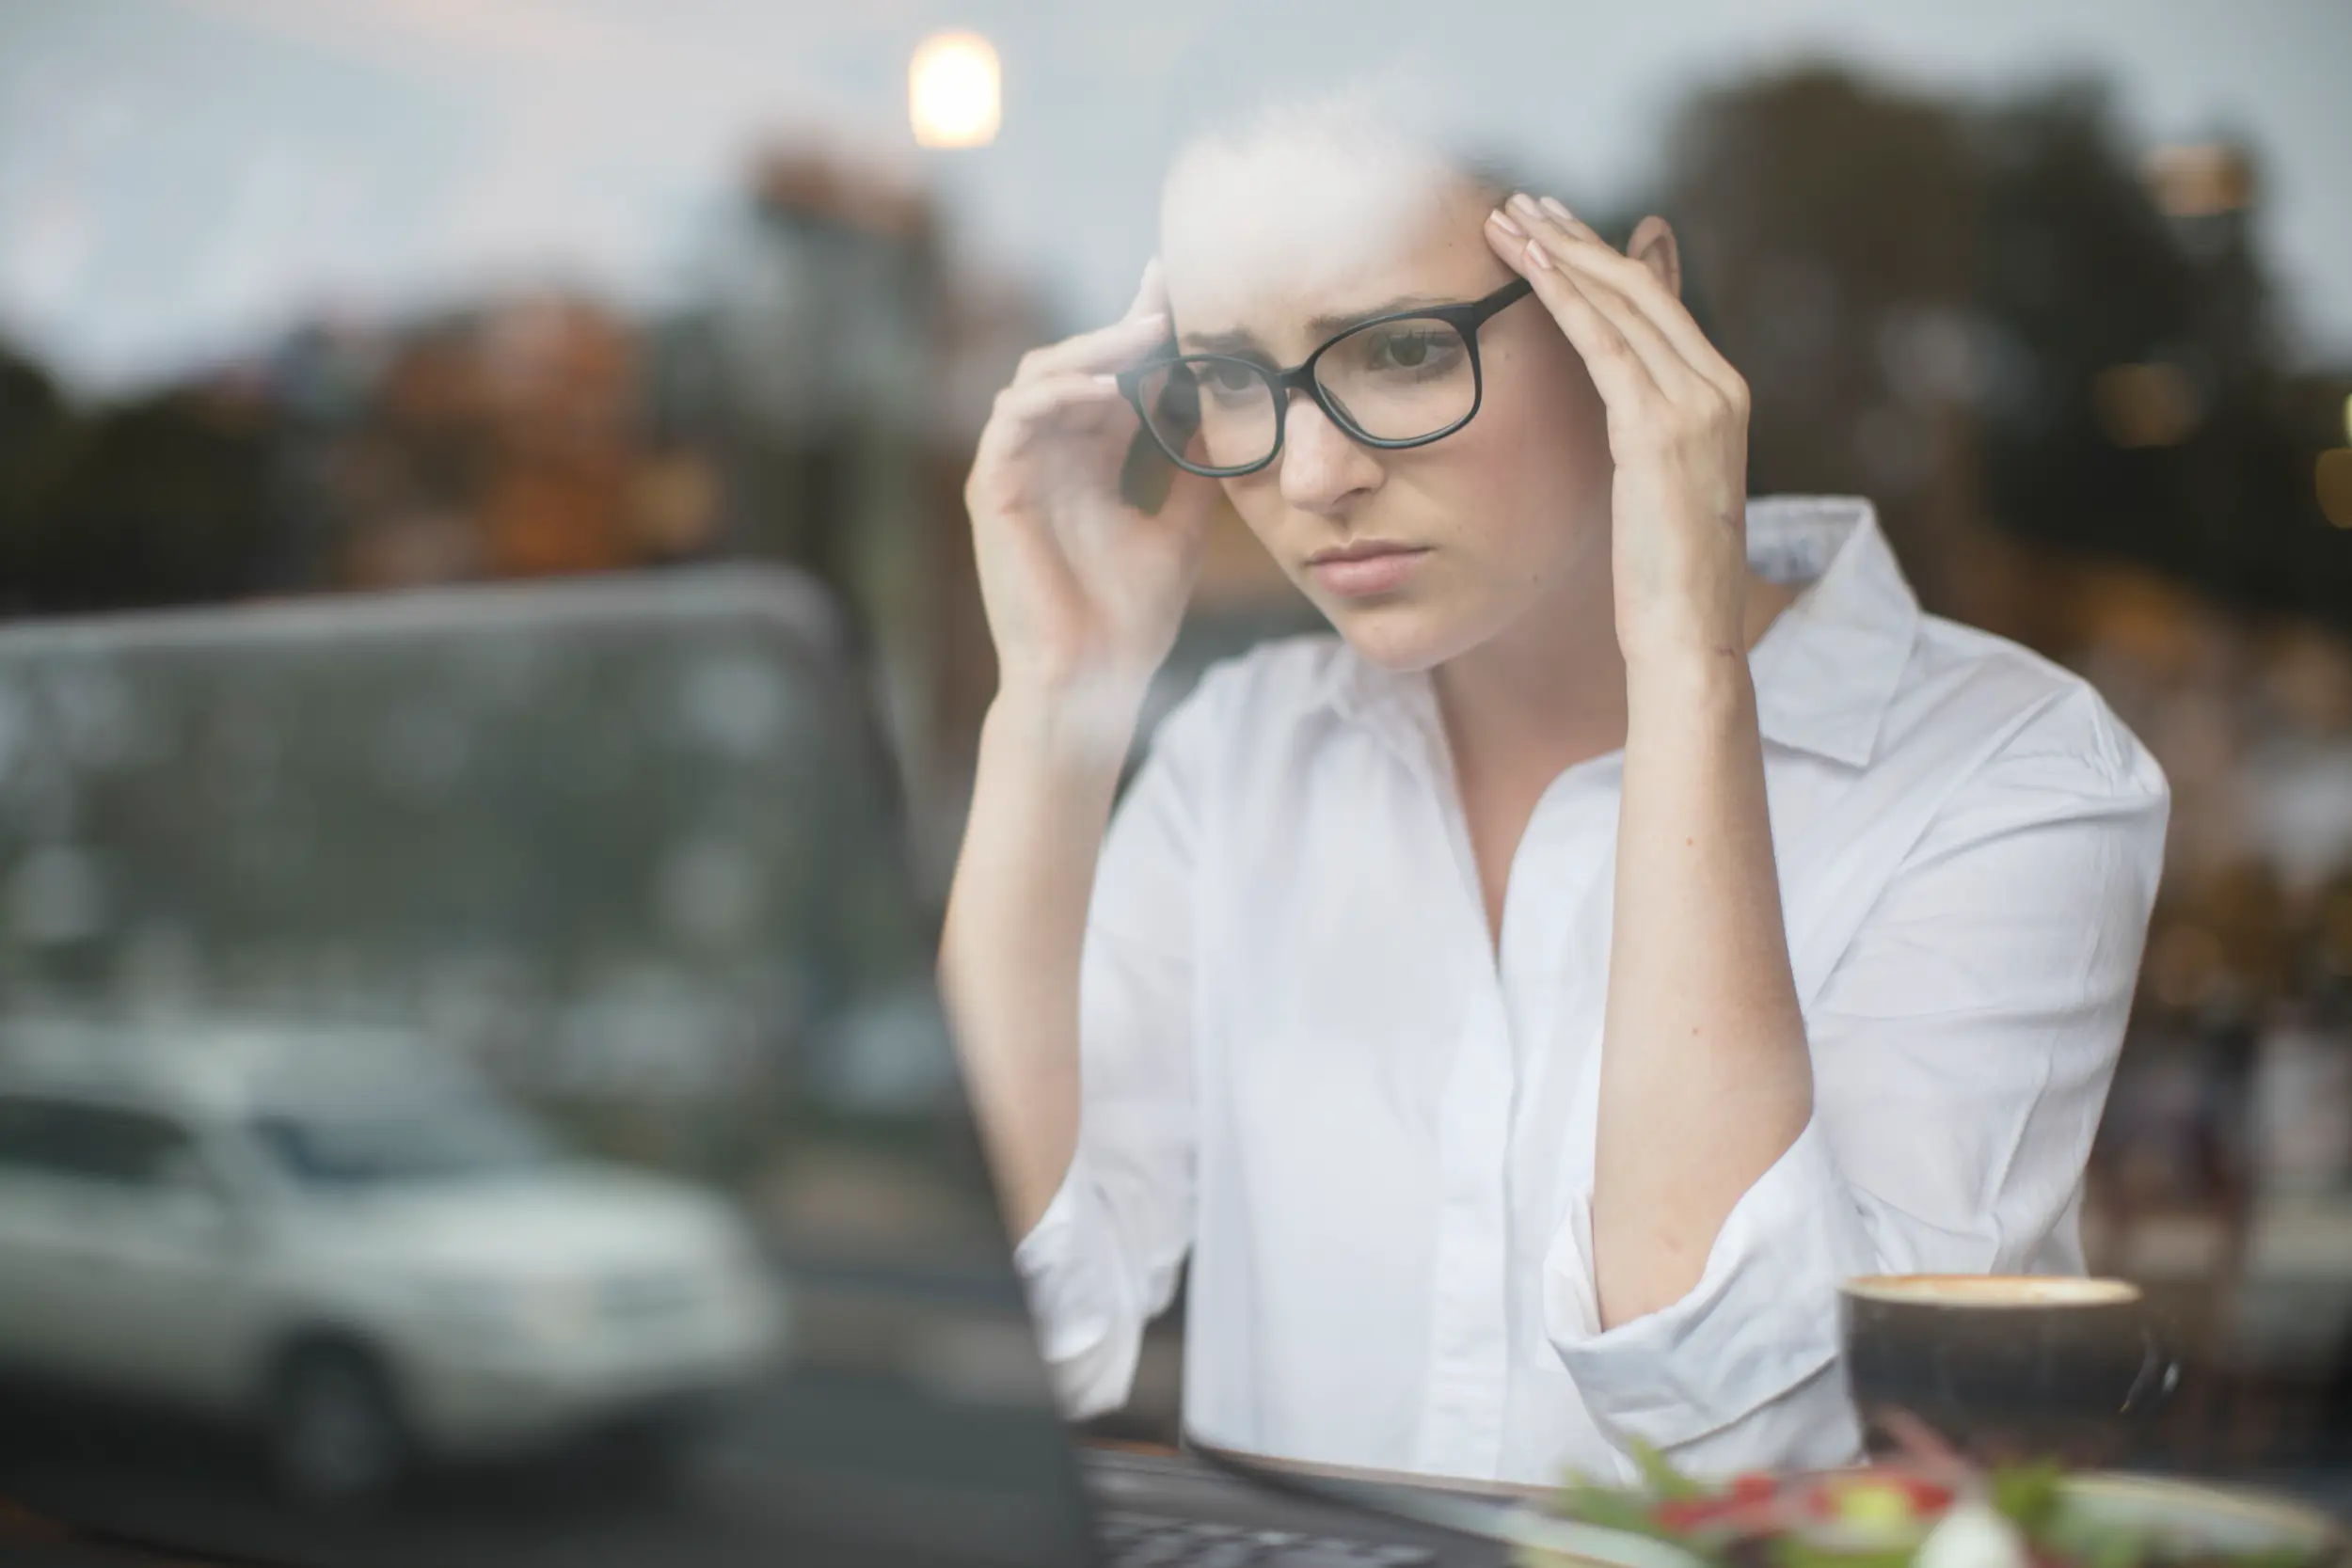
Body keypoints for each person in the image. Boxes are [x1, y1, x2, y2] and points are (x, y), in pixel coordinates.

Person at [937, 100, 2169, 1485]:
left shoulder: (2005, 776)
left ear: (1632, 295)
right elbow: (1010, 1334)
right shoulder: (1237, 763)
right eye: (1230, 377)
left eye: (1401, 350)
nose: (1308, 473)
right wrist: (1054, 704)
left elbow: (1743, 1435)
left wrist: (1689, 670)